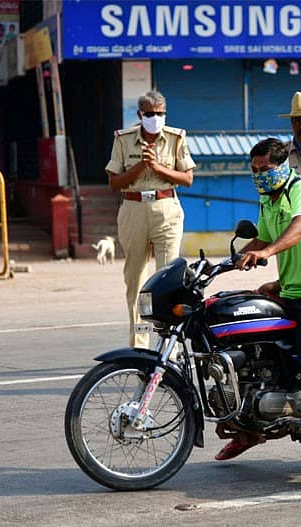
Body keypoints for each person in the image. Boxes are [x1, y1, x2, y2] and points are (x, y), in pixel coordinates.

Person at [215, 138, 301, 477]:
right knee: (253, 349)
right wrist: (228, 263)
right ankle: (249, 429)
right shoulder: (267, 198)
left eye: (265, 169)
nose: (259, 175)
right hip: (290, 291)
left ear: (282, 165)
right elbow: (261, 238)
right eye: (254, 170)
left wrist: (267, 253)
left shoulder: (300, 188)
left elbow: (299, 227)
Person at [105, 90, 195, 348]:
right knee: (135, 280)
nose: (155, 118)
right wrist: (139, 167)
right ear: (140, 115)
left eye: (160, 113)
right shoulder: (123, 139)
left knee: (170, 278)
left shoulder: (176, 137)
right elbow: (114, 182)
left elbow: (187, 178)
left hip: (166, 206)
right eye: (150, 114)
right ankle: (140, 344)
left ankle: (170, 348)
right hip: (133, 208)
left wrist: (157, 168)